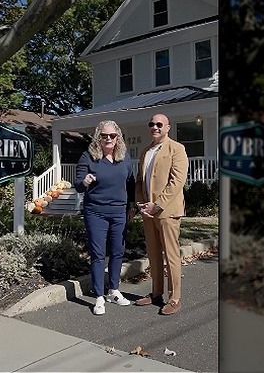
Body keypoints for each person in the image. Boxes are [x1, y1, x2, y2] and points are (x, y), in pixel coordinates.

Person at [74, 120, 136, 315]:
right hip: (96, 212)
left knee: (118, 251)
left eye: (112, 135)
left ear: (118, 137)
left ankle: (113, 291)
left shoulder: (124, 157)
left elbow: (131, 182)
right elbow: (77, 185)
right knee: (98, 254)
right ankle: (99, 297)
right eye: (104, 135)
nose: (108, 139)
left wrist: (132, 205)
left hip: (119, 211)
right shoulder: (88, 157)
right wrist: (84, 181)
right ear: (98, 137)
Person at [134, 113, 188, 315]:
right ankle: (156, 293)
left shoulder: (177, 149)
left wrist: (157, 205)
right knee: (154, 254)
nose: (155, 127)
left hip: (167, 211)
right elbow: (140, 180)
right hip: (147, 211)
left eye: (159, 124)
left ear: (168, 127)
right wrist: (141, 204)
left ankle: (175, 298)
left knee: (171, 255)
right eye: (152, 124)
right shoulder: (145, 151)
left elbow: (177, 182)